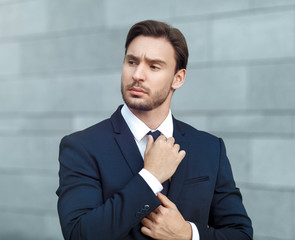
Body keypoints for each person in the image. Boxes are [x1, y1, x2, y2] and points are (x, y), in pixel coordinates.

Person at [56, 20, 253, 240]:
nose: (137, 75)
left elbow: (240, 234)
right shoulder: (82, 147)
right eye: (132, 62)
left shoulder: (209, 148)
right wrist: (150, 178)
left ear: (177, 79)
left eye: (154, 66)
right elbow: (78, 234)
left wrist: (188, 234)